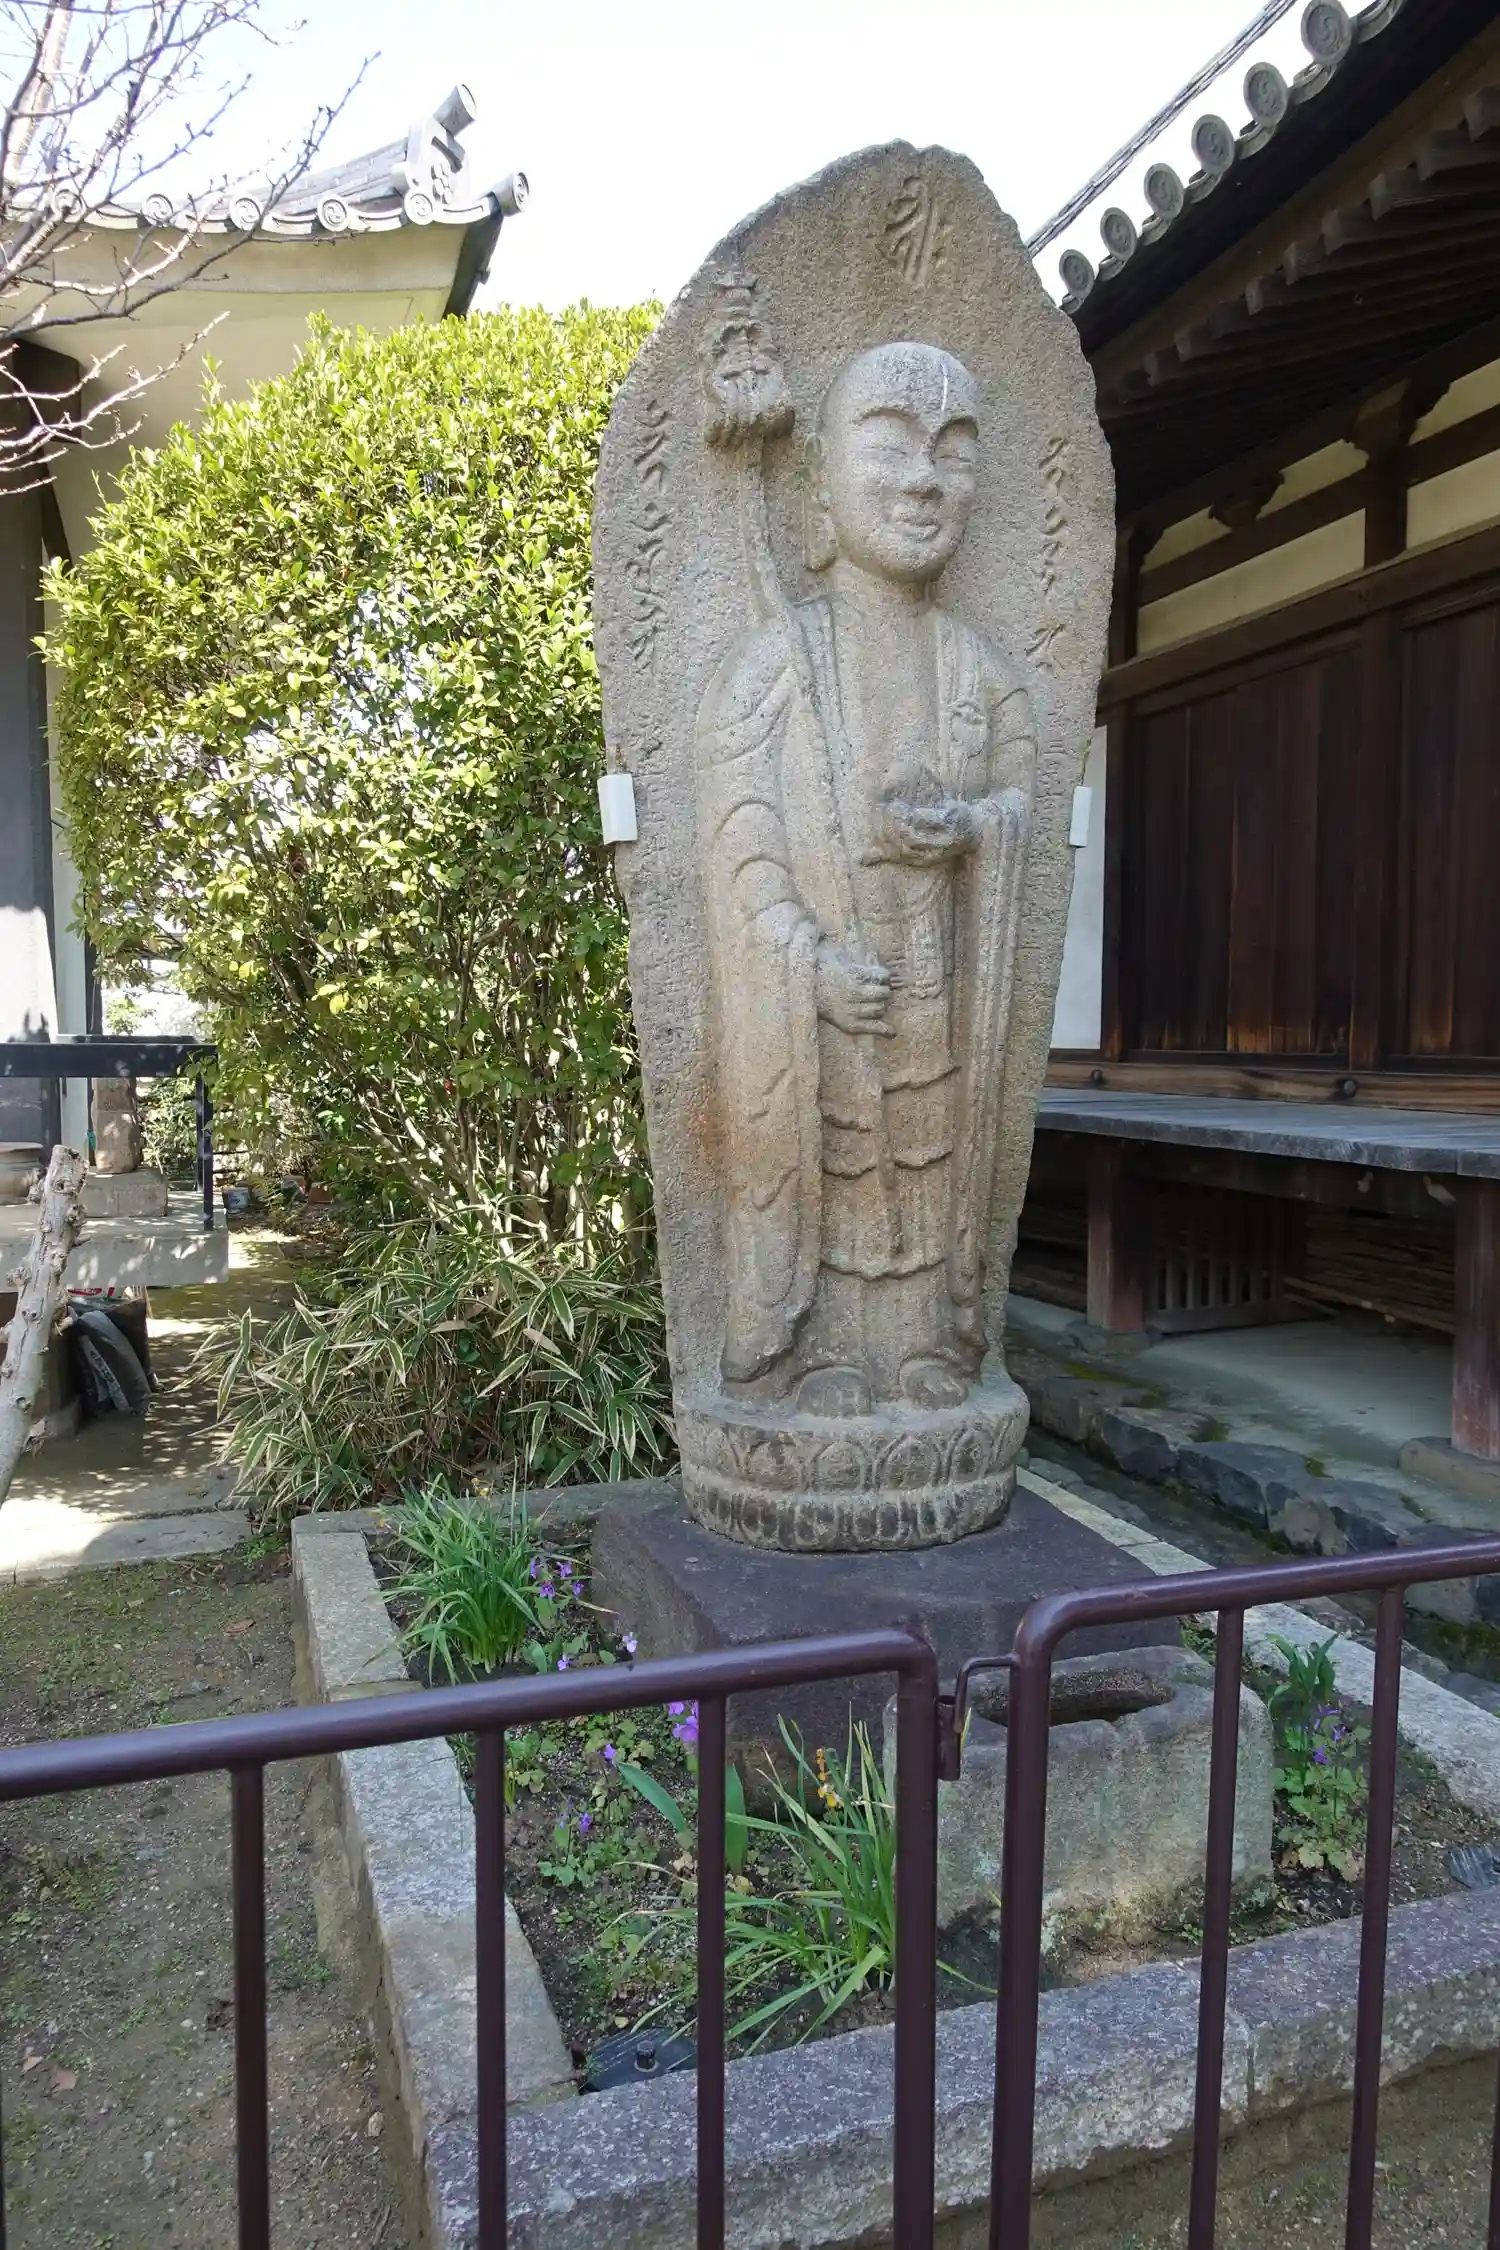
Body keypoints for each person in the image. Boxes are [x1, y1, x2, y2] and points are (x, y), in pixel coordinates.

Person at [696, 340, 1036, 1415]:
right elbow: (741, 855)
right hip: (832, 1007)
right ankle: (816, 1350)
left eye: (954, 452)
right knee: (837, 1161)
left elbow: (1022, 807)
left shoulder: (981, 674)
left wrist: (973, 829)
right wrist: (807, 966)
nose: (925, 479)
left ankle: (929, 1343)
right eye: (890, 445)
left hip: (935, 986)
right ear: (820, 483)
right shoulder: (771, 669)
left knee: (933, 1162)